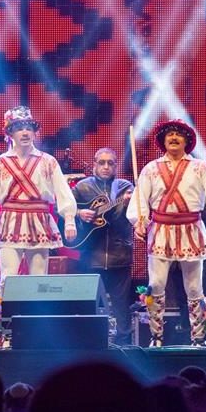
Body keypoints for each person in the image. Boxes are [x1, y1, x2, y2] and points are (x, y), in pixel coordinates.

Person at [127, 119, 206, 347]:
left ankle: (198, 338)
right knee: (156, 285)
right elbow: (139, 201)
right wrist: (138, 222)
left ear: (186, 140)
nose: (173, 137)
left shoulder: (199, 167)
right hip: (160, 231)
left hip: (190, 230)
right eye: (170, 134)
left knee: (194, 288)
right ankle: (156, 337)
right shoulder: (151, 169)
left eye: (179, 134)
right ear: (163, 140)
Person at [0, 107, 77, 299]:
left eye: (28, 128)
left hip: (39, 220)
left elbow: (62, 192)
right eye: (19, 128)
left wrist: (70, 219)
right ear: (10, 133)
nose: (24, 133)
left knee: (38, 279)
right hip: (11, 221)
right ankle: (6, 315)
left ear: (34, 132)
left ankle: (35, 316)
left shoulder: (48, 161)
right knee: (8, 277)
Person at [72, 147, 135, 344]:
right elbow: (62, 209)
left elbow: (135, 215)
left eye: (110, 163)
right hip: (91, 255)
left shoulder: (125, 187)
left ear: (116, 166)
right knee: (89, 304)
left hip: (119, 254)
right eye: (102, 162)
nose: (106, 167)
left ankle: (124, 343)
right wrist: (79, 213)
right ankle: (89, 341)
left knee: (121, 304)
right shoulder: (82, 187)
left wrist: (128, 204)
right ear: (94, 165)